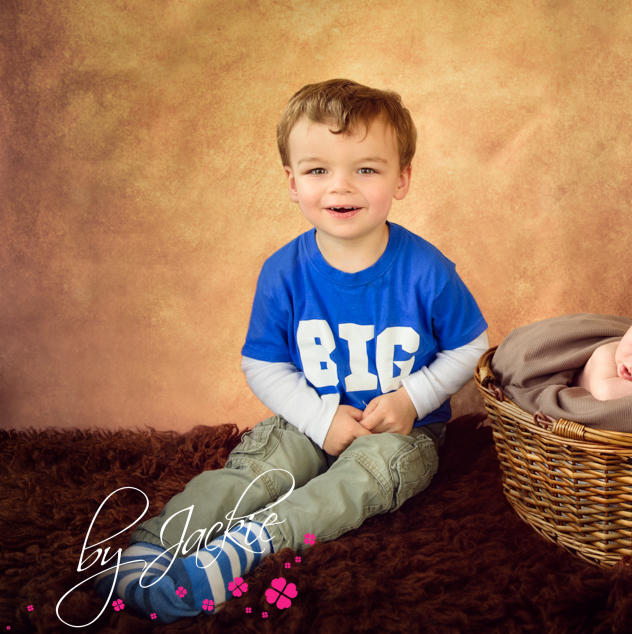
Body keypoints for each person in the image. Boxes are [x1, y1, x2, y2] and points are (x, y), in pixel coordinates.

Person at [95, 79, 488, 623]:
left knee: (361, 481)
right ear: (292, 181)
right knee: (259, 470)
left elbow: (472, 345)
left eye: (367, 169)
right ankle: (156, 545)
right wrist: (317, 416)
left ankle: (243, 548)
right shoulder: (283, 271)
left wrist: (414, 398)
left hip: (400, 433)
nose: (340, 187)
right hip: (308, 421)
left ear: (403, 179)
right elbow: (263, 362)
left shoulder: (427, 270)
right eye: (318, 169)